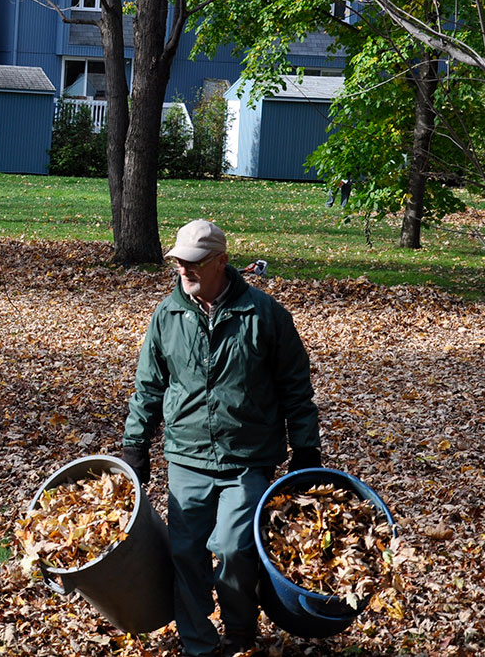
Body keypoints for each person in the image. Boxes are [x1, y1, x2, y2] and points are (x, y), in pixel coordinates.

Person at [121, 219, 321, 657]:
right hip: (187, 456)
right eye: (178, 263)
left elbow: (295, 387)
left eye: (193, 263)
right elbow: (149, 388)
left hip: (247, 459)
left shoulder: (264, 315)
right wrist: (135, 445)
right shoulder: (167, 315)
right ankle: (199, 645)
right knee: (187, 555)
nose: (184, 271)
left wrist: (306, 449)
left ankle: (239, 631)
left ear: (222, 262)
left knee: (233, 549)